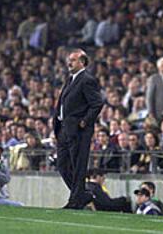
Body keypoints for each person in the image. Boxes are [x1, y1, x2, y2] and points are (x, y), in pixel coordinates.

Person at [53, 49, 105, 209]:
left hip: (78, 131)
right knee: (62, 165)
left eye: (73, 60)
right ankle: (81, 195)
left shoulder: (87, 79)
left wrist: (84, 121)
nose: (69, 63)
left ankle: (75, 201)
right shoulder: (71, 79)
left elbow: (97, 103)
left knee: (78, 166)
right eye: (69, 60)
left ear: (82, 62)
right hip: (64, 129)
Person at [146, 57, 163, 121]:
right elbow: (149, 97)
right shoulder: (154, 78)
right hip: (159, 110)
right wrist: (150, 112)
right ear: (159, 67)